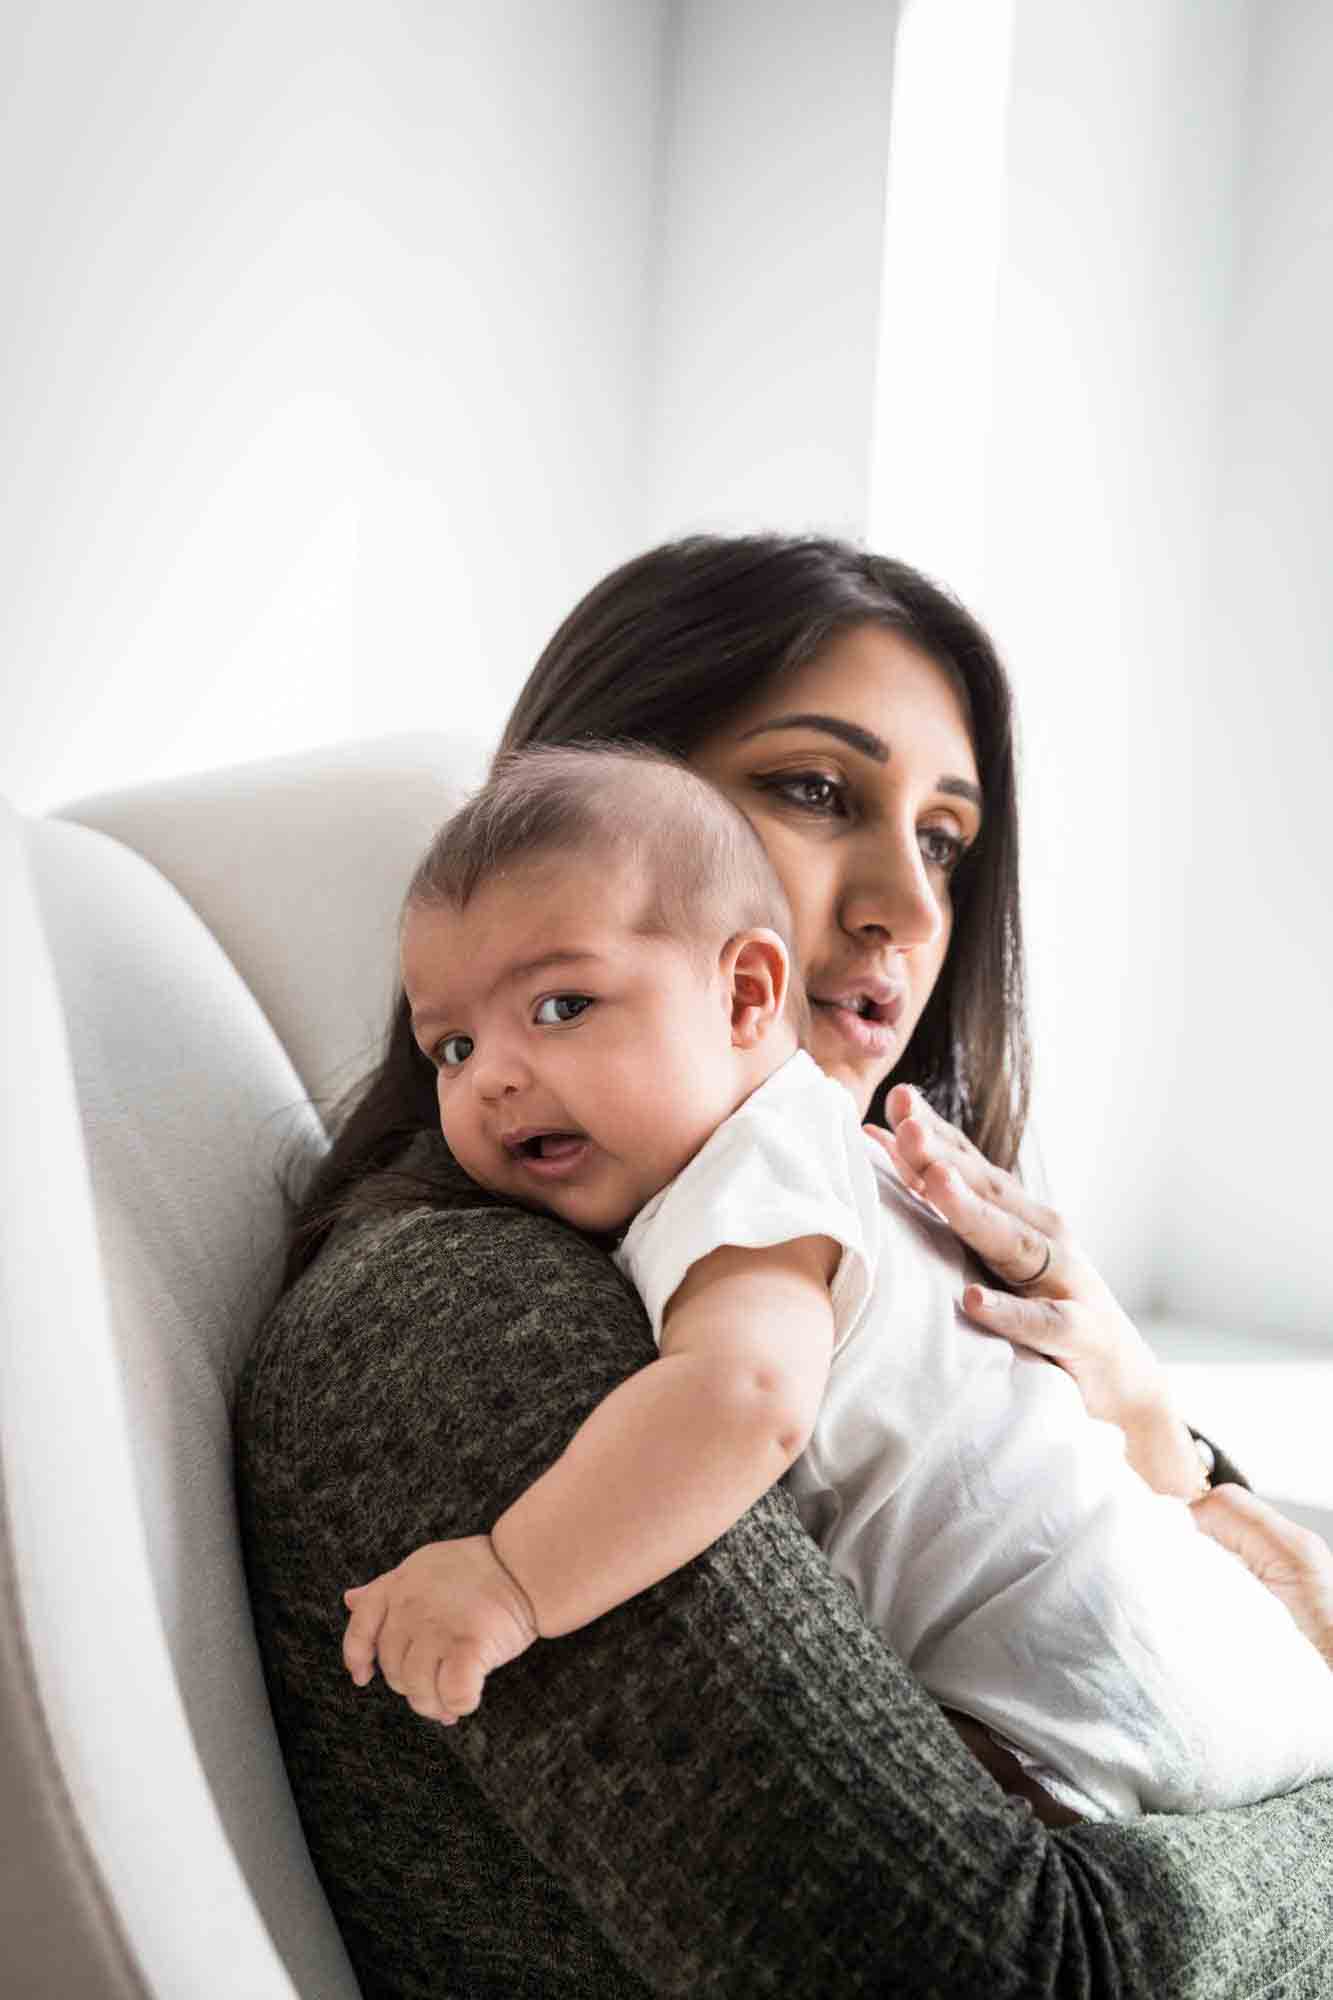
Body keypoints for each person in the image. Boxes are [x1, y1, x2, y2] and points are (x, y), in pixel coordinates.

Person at [235, 535, 1333, 1998]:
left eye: (944, 840)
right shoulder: (464, 1321)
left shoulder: (816, 1198)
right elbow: (1018, 1971)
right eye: (815, 791)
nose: (910, 903)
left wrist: (1153, 1436)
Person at [339, 742, 1333, 1826]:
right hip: (1218, 1667)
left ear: (745, 993)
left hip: (1086, 1692)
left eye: (563, 1004)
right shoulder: (830, 1153)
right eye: (451, 1046)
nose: (493, 1076)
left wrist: (509, 1577)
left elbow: (744, 1398)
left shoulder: (746, 1169)